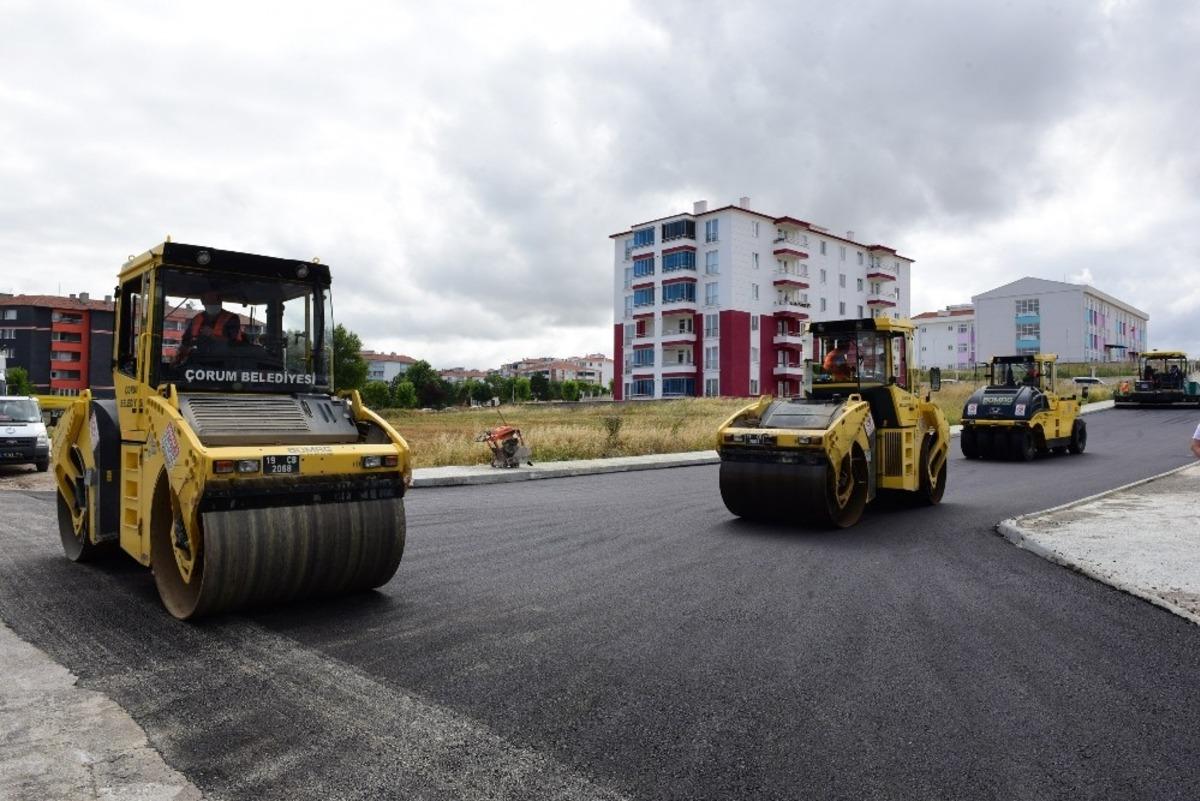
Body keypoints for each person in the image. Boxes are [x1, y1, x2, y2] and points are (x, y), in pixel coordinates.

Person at [174, 290, 241, 364]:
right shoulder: (196, 319)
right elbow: (186, 342)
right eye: (211, 299)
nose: (215, 301)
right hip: (198, 363)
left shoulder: (232, 318)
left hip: (225, 363)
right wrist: (178, 360)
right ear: (203, 301)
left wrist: (212, 335)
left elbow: (234, 344)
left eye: (217, 299)